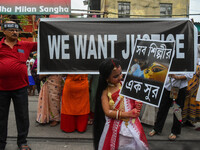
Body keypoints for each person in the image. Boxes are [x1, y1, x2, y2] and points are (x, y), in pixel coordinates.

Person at [93, 58, 149, 150]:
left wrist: (137, 104)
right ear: (107, 78)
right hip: (116, 129)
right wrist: (127, 114)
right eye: (115, 76)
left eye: (120, 74)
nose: (120, 77)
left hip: (133, 125)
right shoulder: (105, 92)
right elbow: (107, 112)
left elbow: (133, 99)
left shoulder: (125, 84)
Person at [0, 21, 37, 150]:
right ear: (3, 31)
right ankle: (1, 143)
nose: (15, 32)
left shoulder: (25, 45)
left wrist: (44, 27)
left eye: (16, 30)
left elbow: (44, 43)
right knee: (1, 118)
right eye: (11, 30)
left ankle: (22, 142)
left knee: (22, 116)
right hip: (1, 89)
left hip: (21, 88)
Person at [149, 73, 193, 141]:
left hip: (180, 88)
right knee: (162, 108)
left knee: (177, 110)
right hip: (168, 86)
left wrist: (177, 77)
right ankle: (157, 128)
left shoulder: (188, 62)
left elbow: (190, 75)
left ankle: (175, 132)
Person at [182, 63, 200, 127]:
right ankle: (181, 121)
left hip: (195, 88)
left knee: (191, 104)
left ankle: (188, 120)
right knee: (184, 104)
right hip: (188, 85)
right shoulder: (191, 64)